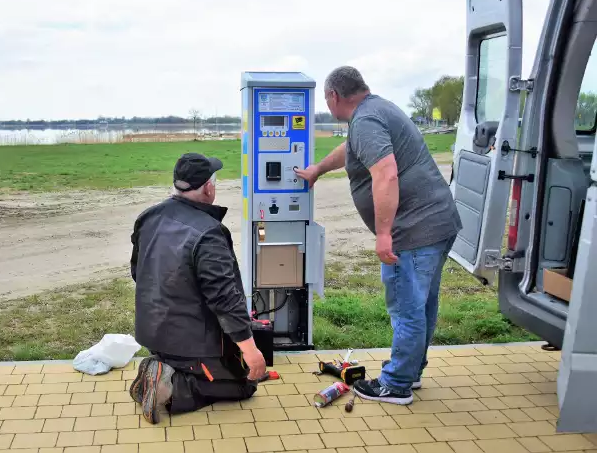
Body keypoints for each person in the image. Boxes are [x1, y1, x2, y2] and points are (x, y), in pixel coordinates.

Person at [295, 66, 462, 405]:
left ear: (333, 96)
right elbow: (350, 148)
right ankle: (409, 372)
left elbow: (386, 174)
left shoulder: (366, 120)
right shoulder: (375, 111)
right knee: (422, 304)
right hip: (438, 223)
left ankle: (396, 383)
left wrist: (384, 234)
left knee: (406, 308)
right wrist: (318, 170)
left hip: (413, 231)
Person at [129, 153, 266, 423]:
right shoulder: (209, 232)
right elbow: (225, 299)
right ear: (208, 187)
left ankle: (161, 368)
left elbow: (137, 272)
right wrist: (251, 352)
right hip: (191, 343)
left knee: (224, 368)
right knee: (245, 386)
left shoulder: (148, 217)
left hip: (154, 333)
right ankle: (174, 386)